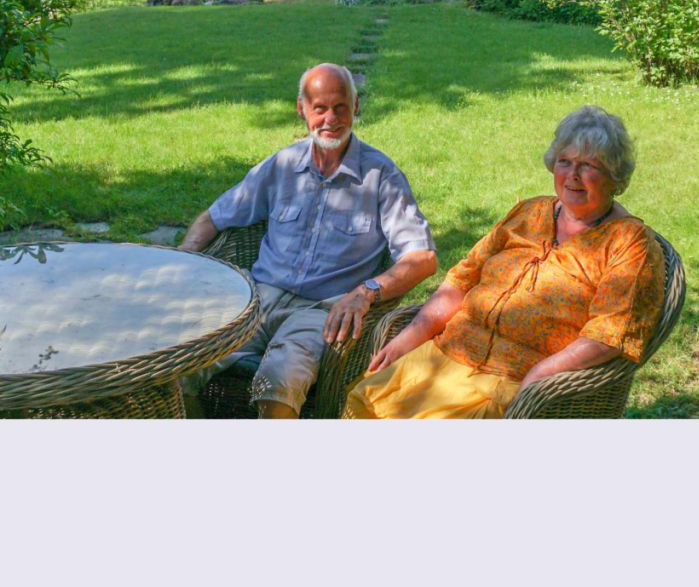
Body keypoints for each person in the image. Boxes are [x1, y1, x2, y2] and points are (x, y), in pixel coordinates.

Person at [345, 105, 665, 419]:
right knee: (366, 404)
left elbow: (608, 336)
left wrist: (539, 376)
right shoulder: (528, 212)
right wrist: (411, 336)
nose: (572, 176)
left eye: (588, 165)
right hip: (441, 359)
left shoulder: (629, 243)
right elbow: (462, 281)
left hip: (507, 385)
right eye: (565, 162)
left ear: (614, 175)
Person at [180, 62, 436, 418]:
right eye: (320, 108)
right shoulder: (282, 166)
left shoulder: (381, 176)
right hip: (256, 298)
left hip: (322, 311)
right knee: (182, 362)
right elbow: (215, 216)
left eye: (341, 107)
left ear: (357, 106)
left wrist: (365, 294)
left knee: (278, 381)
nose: (331, 118)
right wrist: (184, 258)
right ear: (301, 109)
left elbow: (422, 258)